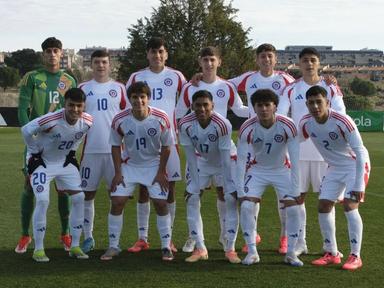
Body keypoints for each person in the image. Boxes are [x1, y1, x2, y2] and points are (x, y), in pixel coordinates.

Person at [176, 46, 249, 253]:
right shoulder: (190, 87)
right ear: (200, 61)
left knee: (224, 192)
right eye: (205, 59)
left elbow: (239, 110)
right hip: (200, 151)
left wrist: (264, 108)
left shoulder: (226, 86)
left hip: (224, 149)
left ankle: (226, 235)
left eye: (212, 59)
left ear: (219, 62)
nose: (208, 63)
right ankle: (194, 237)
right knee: (193, 194)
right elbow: (180, 113)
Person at [277, 47, 346, 255]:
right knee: (298, 199)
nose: (309, 64)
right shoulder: (291, 89)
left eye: (313, 60)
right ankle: (300, 243)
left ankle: (329, 247)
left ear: (319, 63)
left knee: (327, 201)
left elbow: (341, 113)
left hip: (326, 154)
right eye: (305, 60)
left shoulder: (331, 87)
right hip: (298, 153)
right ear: (299, 64)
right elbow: (280, 115)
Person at [229, 43, 295, 253]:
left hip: (278, 139)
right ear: (257, 59)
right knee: (248, 194)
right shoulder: (248, 78)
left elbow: (306, 88)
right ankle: (253, 234)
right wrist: (198, 78)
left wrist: (327, 81)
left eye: (270, 56)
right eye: (262, 56)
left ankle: (284, 238)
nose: (266, 60)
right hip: (252, 139)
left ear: (275, 59)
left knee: (284, 197)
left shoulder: (285, 79)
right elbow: (222, 86)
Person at [100, 81, 175, 261]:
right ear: (129, 99)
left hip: (153, 165)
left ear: (148, 98)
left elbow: (166, 146)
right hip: (130, 165)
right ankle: (113, 246)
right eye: (135, 97)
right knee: (117, 201)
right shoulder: (120, 119)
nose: (139, 101)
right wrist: (117, 173)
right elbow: (116, 146)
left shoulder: (161, 117)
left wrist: (160, 172)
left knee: (161, 203)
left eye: (142, 97)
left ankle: (166, 247)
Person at [16, 37, 77, 254]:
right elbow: (22, 109)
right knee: (29, 187)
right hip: (36, 144)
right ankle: (25, 234)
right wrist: (30, 138)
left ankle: (66, 233)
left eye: (56, 51)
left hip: (61, 145)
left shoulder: (69, 80)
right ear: (43, 55)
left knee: (64, 190)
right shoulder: (32, 78)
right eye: (48, 51)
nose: (52, 54)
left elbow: (75, 112)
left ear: (61, 54)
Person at [125, 37, 186, 253]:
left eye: (161, 51)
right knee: (143, 188)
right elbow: (127, 107)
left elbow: (187, 99)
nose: (157, 55)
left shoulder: (177, 76)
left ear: (166, 54)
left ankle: (167, 237)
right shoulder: (137, 76)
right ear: (147, 54)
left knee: (169, 188)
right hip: (142, 140)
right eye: (153, 52)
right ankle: (142, 237)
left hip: (169, 139)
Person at [299, 85, 370, 270]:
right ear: (306, 104)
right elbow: (295, 140)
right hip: (334, 168)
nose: (315, 106)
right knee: (323, 205)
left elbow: (360, 150)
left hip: (355, 166)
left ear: (327, 103)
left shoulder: (342, 121)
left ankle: (355, 255)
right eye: (311, 103)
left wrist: (359, 184)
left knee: (349, 204)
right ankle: (332, 252)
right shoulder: (306, 123)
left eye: (318, 102)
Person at [21, 88, 92, 262]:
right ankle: (38, 250)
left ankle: (75, 246)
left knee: (79, 198)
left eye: (79, 106)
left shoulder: (88, 121)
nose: (75, 110)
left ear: (84, 106)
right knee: (43, 200)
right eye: (71, 105)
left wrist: (72, 151)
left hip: (64, 162)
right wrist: (33, 150)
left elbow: (78, 137)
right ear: (64, 104)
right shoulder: (51, 119)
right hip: (42, 162)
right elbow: (25, 130)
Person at [236, 89, 302, 266]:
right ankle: (252, 252)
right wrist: (240, 189)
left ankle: (291, 253)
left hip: (282, 170)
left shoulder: (288, 125)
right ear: (254, 107)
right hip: (257, 171)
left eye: (267, 105)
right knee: (247, 206)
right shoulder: (247, 127)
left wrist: (296, 188)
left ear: (275, 107)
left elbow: (295, 159)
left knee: (294, 209)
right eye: (259, 105)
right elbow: (241, 160)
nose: (264, 109)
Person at [179, 90, 240, 264]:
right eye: (198, 105)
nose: (202, 109)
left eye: (206, 105)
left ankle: (230, 249)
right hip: (202, 161)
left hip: (226, 160)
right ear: (192, 106)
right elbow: (190, 155)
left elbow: (225, 157)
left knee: (230, 199)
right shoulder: (185, 124)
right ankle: (200, 248)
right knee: (191, 198)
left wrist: (229, 185)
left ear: (212, 106)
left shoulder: (222, 124)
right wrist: (193, 185)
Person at [78, 50, 128, 253]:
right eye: (97, 62)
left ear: (110, 65)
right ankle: (88, 237)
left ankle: (113, 243)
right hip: (90, 152)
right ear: (91, 65)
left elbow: (128, 116)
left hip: (114, 152)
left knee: (116, 197)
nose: (100, 65)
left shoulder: (120, 88)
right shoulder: (82, 88)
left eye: (104, 62)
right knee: (86, 195)